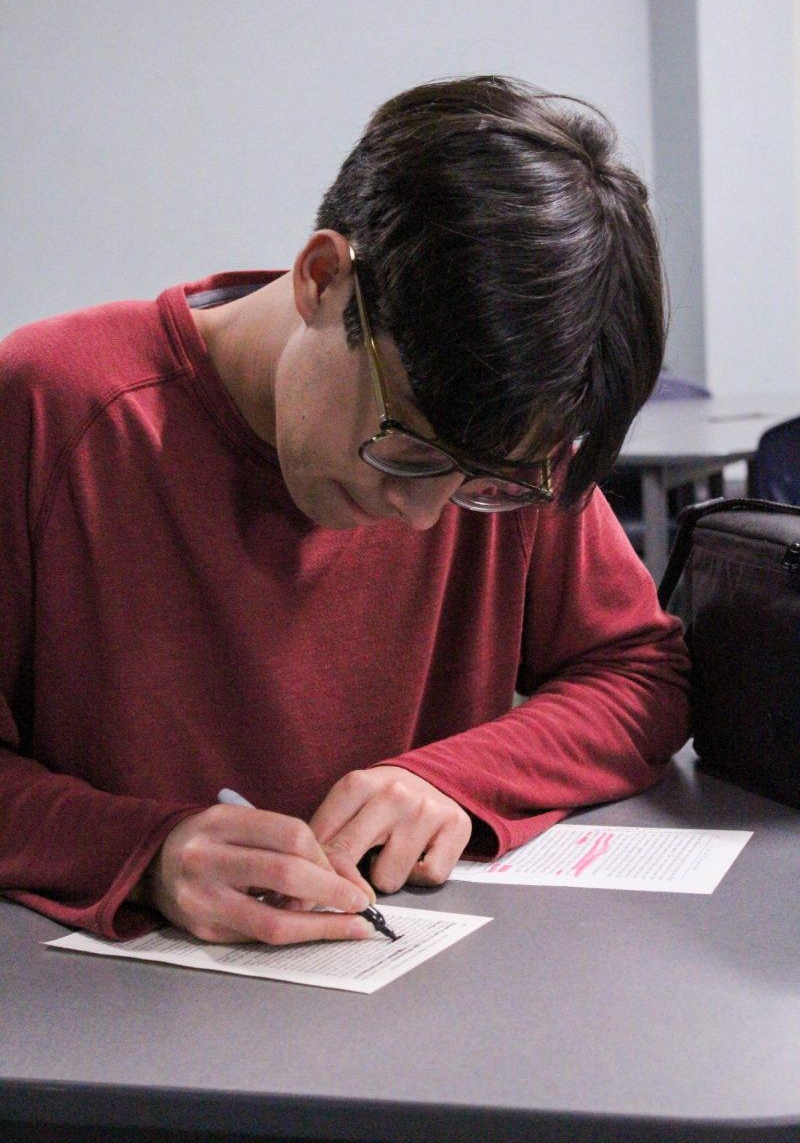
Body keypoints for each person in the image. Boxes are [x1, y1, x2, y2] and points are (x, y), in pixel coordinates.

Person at [0, 75, 689, 946]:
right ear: (323, 279)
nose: (425, 517)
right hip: (93, 1019)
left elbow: (638, 675)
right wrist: (145, 851)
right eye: (406, 448)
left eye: (481, 483)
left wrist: (456, 778)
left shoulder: (510, 440)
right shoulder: (55, 406)